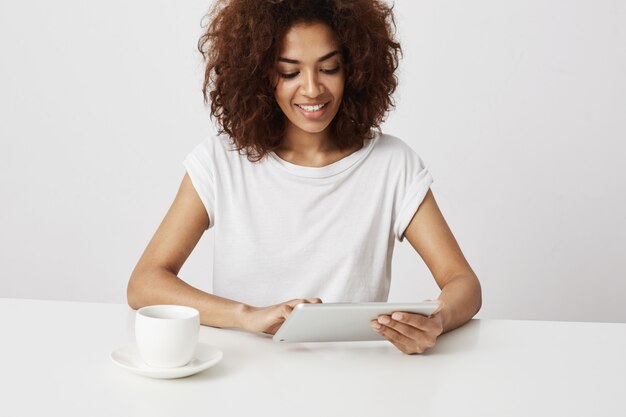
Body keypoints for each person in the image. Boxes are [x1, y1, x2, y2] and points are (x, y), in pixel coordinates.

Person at [127, 0, 482, 355]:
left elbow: (462, 282)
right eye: (289, 72)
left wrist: (436, 321)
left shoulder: (391, 165)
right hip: (242, 380)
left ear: (353, 69)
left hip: (356, 384)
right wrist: (248, 316)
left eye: (329, 68)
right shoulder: (220, 161)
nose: (312, 89)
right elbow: (145, 283)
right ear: (259, 75)